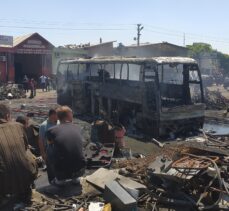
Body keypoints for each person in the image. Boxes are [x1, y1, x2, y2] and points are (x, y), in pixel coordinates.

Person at [0, 104, 37, 203]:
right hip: (28, 175)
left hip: (6, 184)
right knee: (27, 151)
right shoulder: (19, 126)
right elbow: (25, 147)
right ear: (7, 116)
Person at [46, 106, 86, 186]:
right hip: (80, 169)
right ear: (68, 115)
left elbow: (51, 150)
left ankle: (58, 180)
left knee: (49, 149)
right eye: (72, 114)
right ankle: (75, 178)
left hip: (62, 172)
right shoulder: (77, 127)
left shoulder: (51, 131)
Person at [38, 108, 59, 183]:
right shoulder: (44, 126)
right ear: (53, 115)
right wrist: (43, 153)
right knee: (51, 171)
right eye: (57, 114)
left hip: (59, 151)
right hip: (50, 151)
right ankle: (52, 185)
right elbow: (41, 141)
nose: (59, 116)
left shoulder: (59, 122)